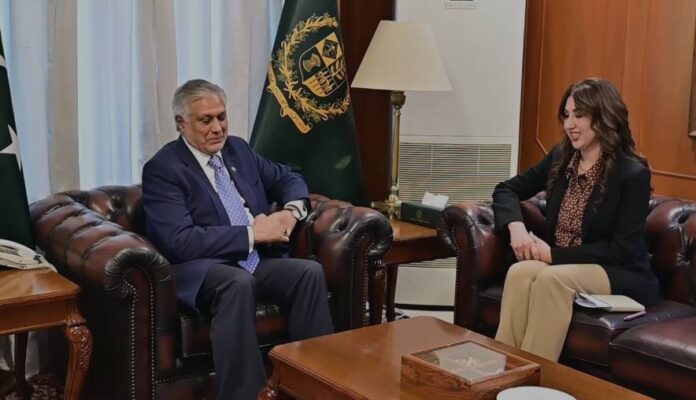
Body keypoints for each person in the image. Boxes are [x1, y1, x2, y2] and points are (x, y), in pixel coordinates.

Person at [142, 79, 334, 399]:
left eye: (222, 117)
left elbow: (288, 178)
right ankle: (245, 394)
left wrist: (290, 213)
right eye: (206, 120)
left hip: (254, 259)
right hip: (203, 268)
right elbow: (179, 240)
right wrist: (252, 234)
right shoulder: (164, 169)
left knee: (308, 273)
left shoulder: (238, 150)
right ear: (181, 123)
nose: (217, 128)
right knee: (236, 283)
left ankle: (315, 387)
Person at [492, 77, 660, 361]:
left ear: (603, 116)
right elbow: (506, 189)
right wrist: (516, 228)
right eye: (567, 115)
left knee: (552, 279)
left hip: (617, 270)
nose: (569, 124)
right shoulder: (561, 157)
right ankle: (504, 368)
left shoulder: (631, 173)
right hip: (564, 263)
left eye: (579, 115)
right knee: (520, 272)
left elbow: (621, 250)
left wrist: (551, 255)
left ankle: (535, 376)